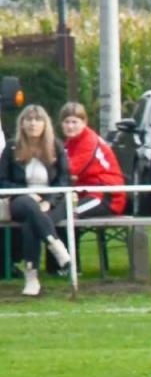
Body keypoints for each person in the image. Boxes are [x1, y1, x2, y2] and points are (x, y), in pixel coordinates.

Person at [2, 104, 73, 297]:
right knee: (29, 207)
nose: (33, 124)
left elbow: (63, 180)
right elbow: (3, 181)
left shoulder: (55, 146)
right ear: (22, 123)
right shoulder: (11, 147)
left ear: (45, 123)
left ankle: (31, 276)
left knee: (31, 222)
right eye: (29, 120)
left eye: (37, 119)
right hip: (20, 200)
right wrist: (26, 191)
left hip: (53, 202)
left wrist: (49, 201)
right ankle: (55, 245)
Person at [59, 101, 127, 220]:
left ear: (84, 123)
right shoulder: (70, 143)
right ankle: (64, 239)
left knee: (65, 214)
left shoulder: (88, 140)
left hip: (107, 196)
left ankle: (61, 239)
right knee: (58, 211)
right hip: (87, 192)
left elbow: (70, 169)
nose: (70, 126)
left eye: (74, 122)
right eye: (66, 122)